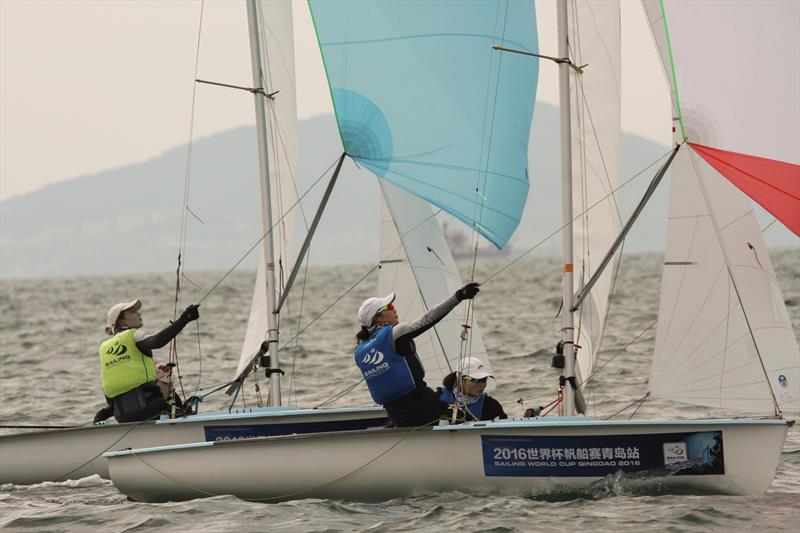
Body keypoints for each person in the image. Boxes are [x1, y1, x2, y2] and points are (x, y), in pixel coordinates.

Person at [354, 282, 480, 428]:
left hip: (397, 415)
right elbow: (428, 318)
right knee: (466, 418)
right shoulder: (394, 333)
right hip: (421, 404)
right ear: (378, 318)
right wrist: (459, 296)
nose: (395, 309)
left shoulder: (359, 351)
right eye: (389, 307)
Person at [96, 299, 199, 423]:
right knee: (165, 375)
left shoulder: (104, 347)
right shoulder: (133, 335)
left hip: (122, 417)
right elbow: (157, 342)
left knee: (159, 371)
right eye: (132, 312)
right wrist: (185, 319)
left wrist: (101, 416)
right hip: (151, 411)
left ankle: (180, 409)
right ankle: (182, 411)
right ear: (121, 321)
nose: (138, 313)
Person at [437, 356, 507, 422]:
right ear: (461, 379)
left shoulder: (491, 406)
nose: (483, 384)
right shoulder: (437, 398)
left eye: (484, 379)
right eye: (477, 380)